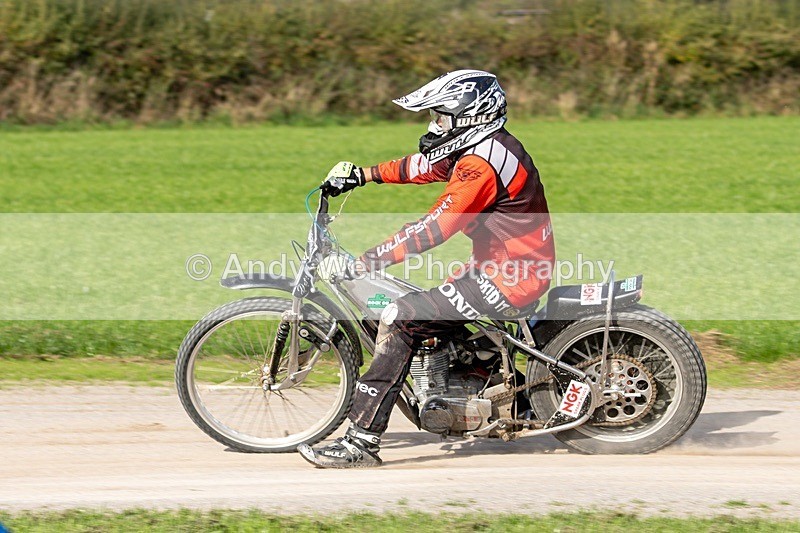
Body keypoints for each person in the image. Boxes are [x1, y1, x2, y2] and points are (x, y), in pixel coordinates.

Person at [297, 70, 555, 468]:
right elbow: (422, 167)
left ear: (468, 116)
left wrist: (363, 262)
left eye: (439, 117)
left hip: (509, 277)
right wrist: (362, 176)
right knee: (429, 314)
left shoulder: (481, 164)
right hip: (501, 267)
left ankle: (360, 444)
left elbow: (435, 227)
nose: (433, 125)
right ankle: (481, 387)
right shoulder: (482, 148)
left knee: (401, 315)